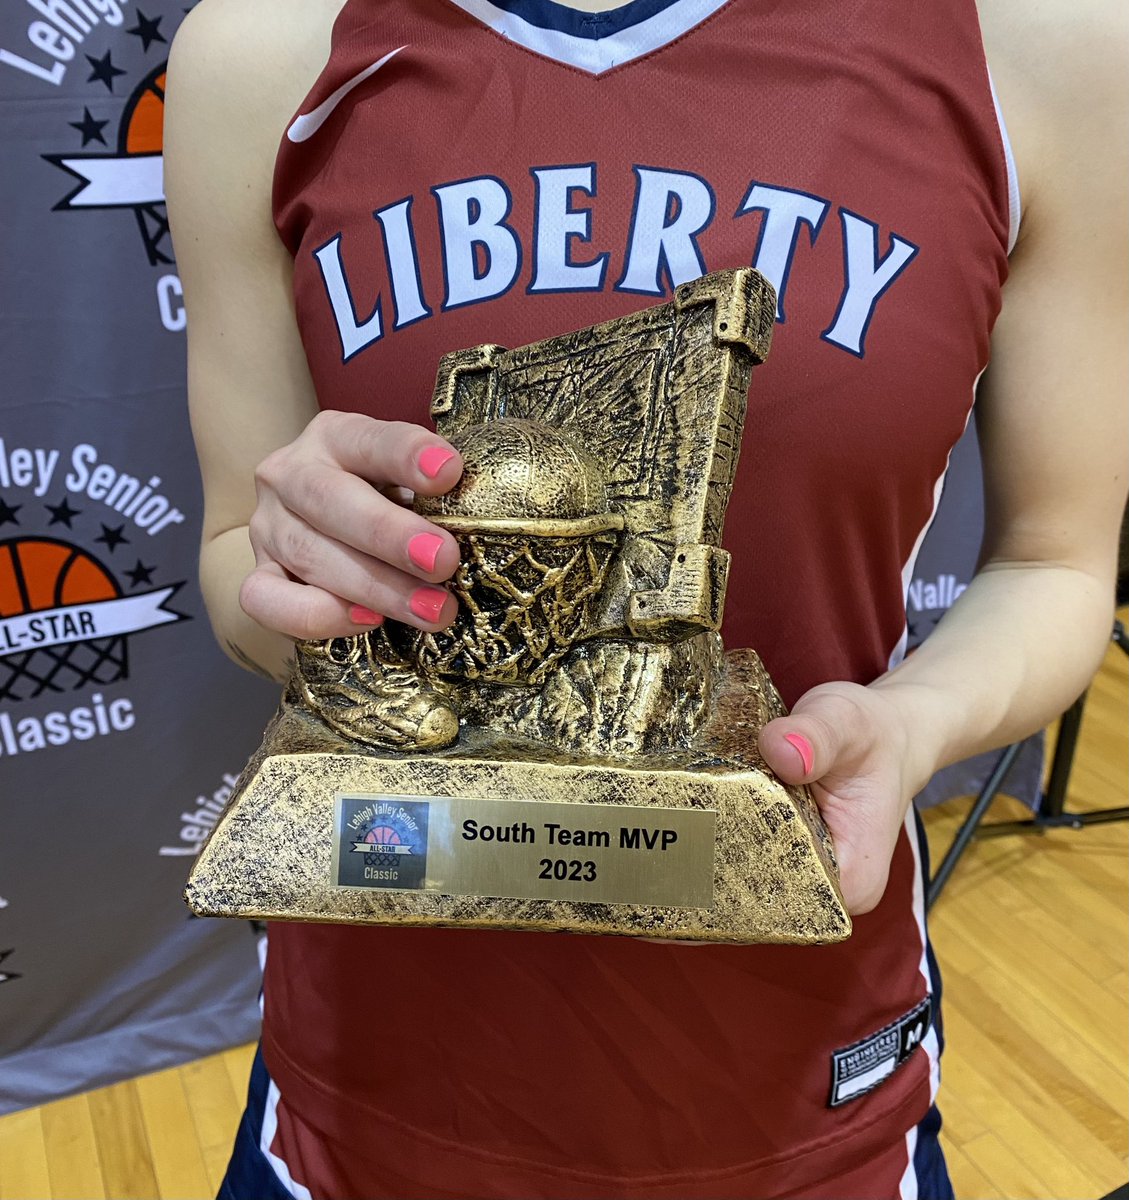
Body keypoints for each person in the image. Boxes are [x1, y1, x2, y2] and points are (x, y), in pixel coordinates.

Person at [164, 0, 1127, 1195]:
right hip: (368, 1085)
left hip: (802, 1072)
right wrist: (321, 589)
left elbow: (1055, 562)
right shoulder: (266, 47)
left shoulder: (1035, 37)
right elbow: (229, 559)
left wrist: (911, 721)